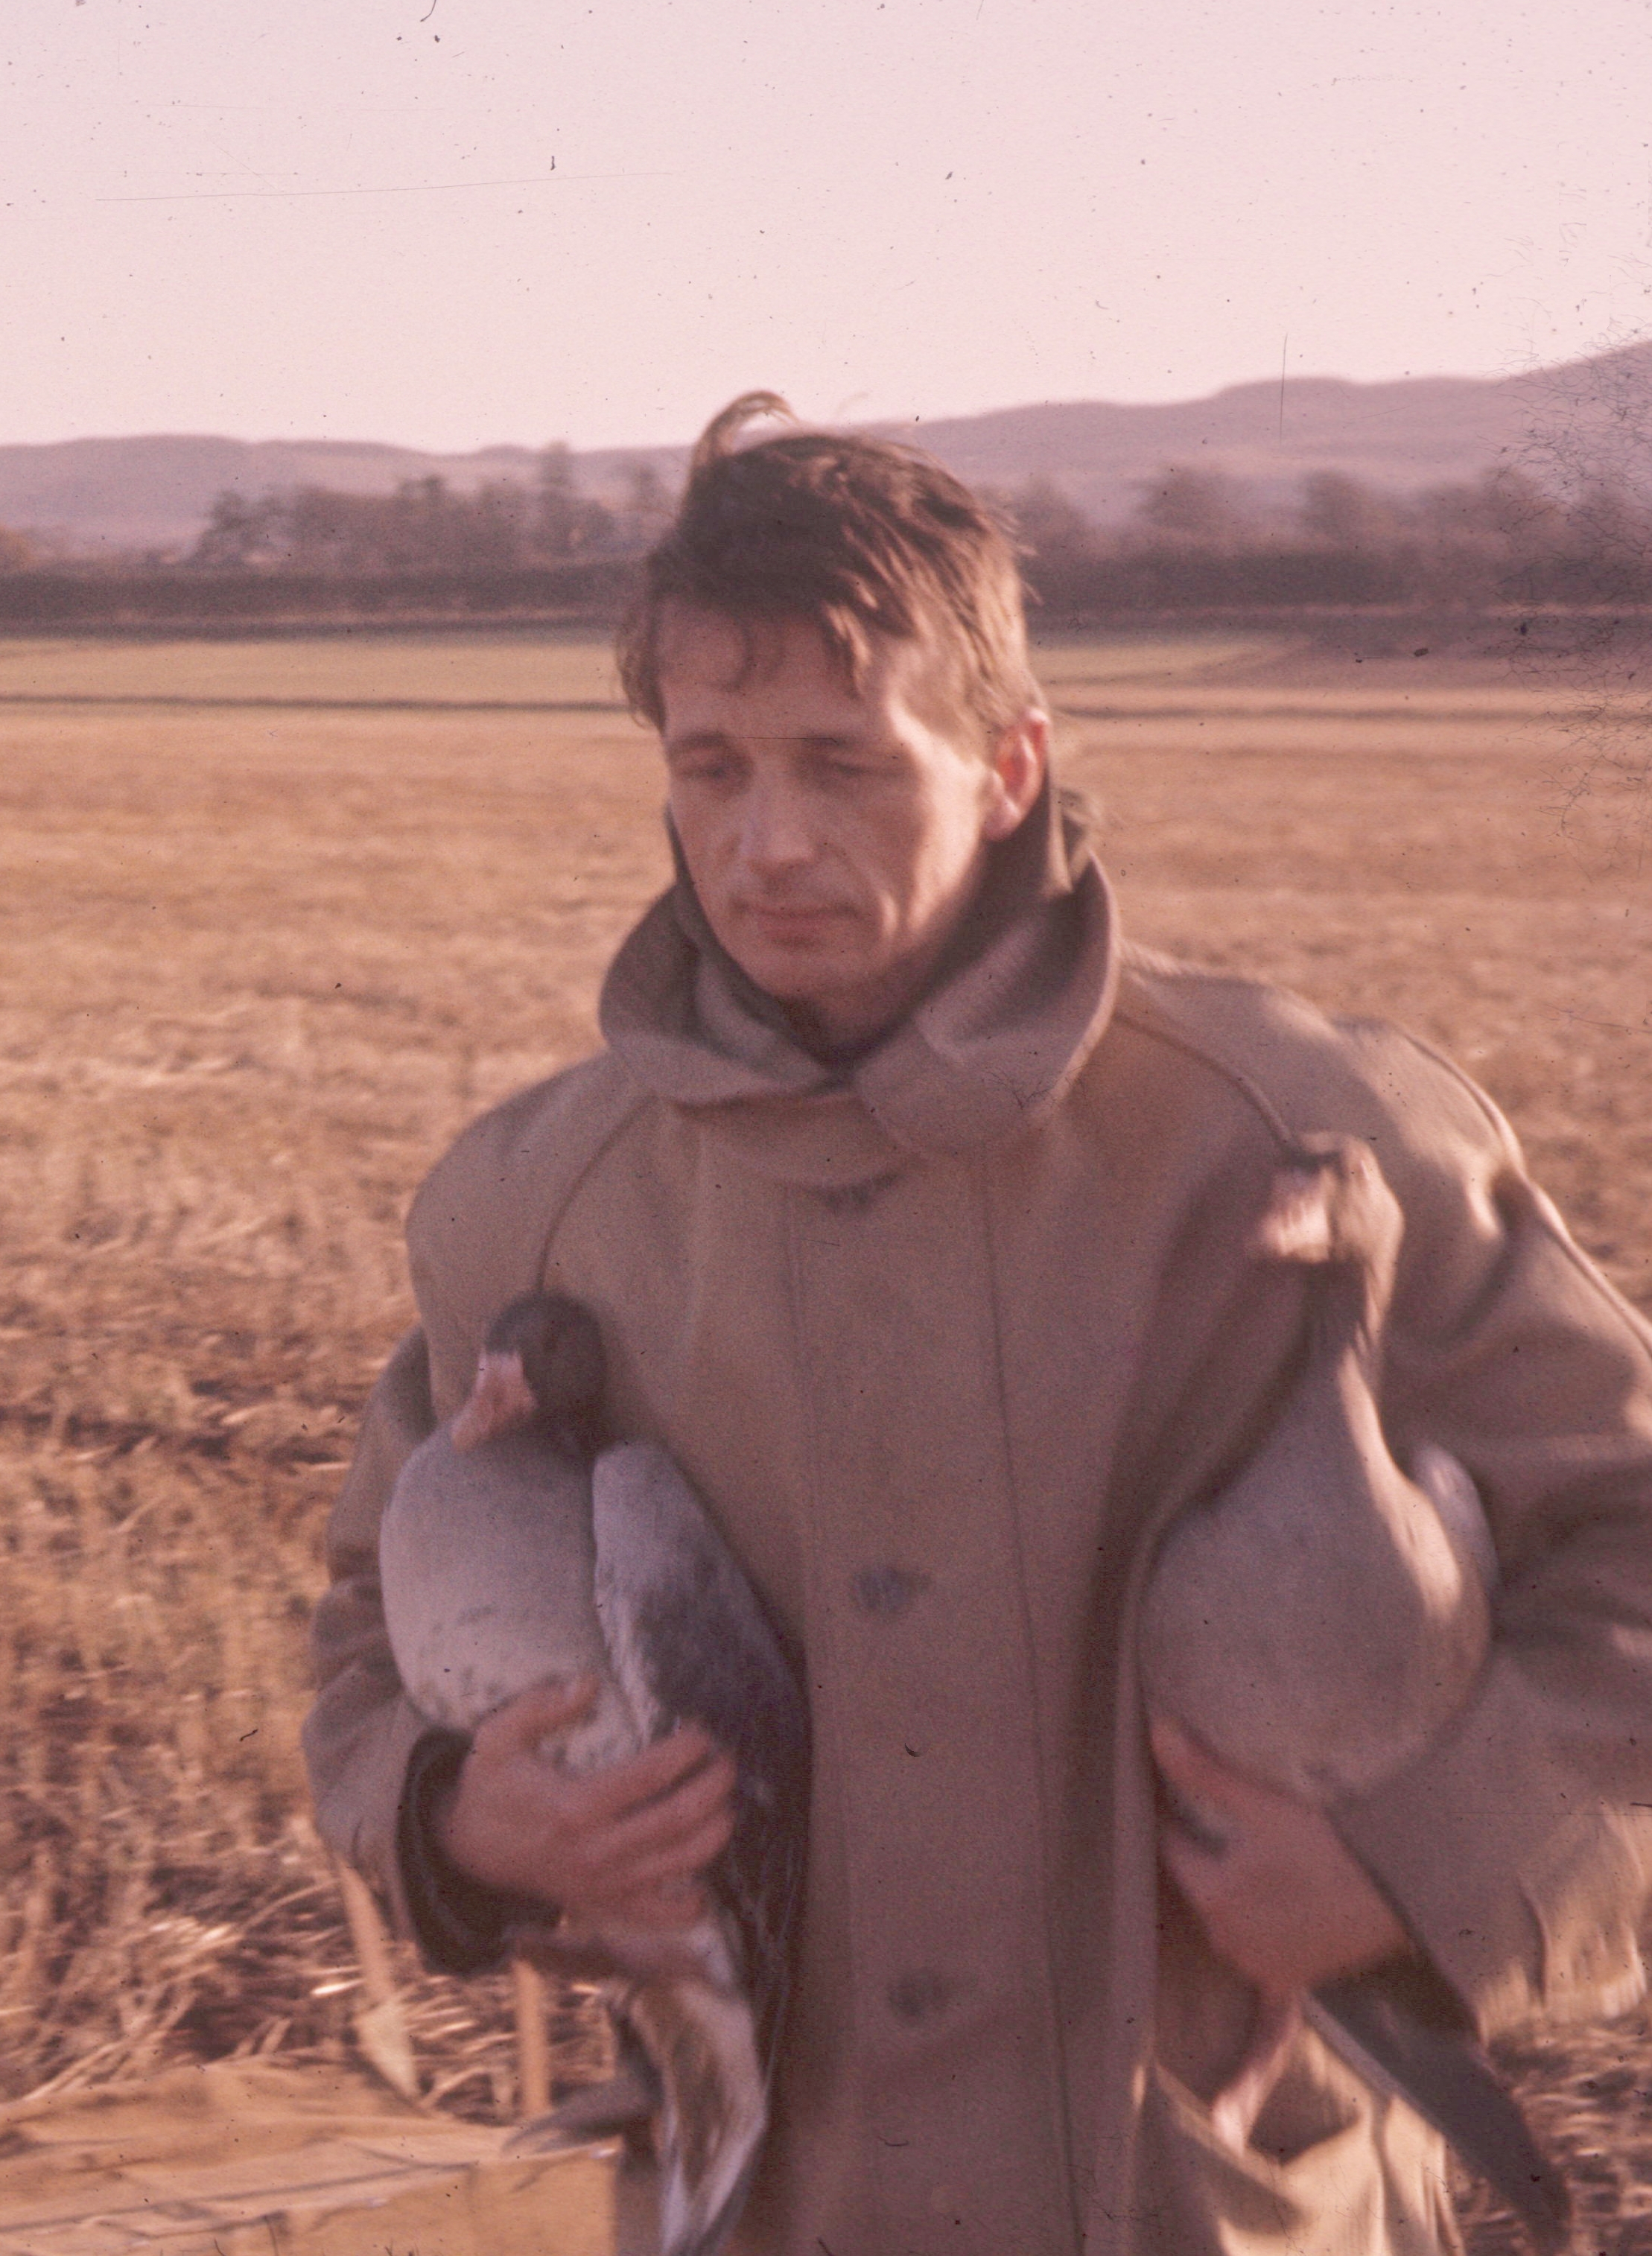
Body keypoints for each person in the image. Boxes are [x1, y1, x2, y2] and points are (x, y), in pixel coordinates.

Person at [304, 394, 1652, 2256]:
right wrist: (464, 1827)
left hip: (1222, 2212)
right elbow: (369, 1640)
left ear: (1009, 763)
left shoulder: (1315, 1138)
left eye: (843, 764)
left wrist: (1415, 1867)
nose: (766, 839)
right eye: (712, 766)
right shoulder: (528, 1205)